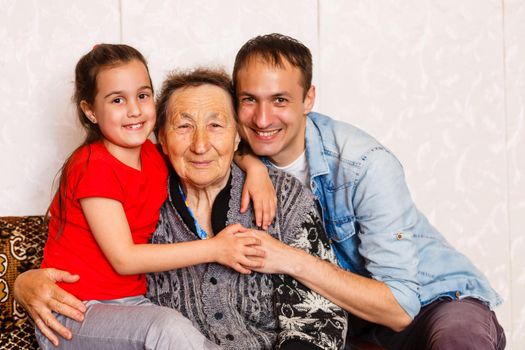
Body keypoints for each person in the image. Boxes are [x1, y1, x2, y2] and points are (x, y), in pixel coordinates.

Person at [15, 66, 348, 349]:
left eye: (216, 126)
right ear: (160, 137)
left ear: (236, 137)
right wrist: (24, 282)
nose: (200, 144)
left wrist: (257, 167)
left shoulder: (284, 198)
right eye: (183, 126)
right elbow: (101, 258)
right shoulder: (142, 198)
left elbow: (318, 316)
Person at [230, 33, 506, 349]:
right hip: (350, 323)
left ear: (308, 99)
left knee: (458, 341)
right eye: (249, 99)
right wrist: (250, 163)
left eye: (280, 99)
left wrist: (288, 259)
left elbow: (401, 306)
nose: (262, 118)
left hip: (432, 302)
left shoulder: (364, 165)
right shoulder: (238, 158)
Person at [33, 44, 275, 349]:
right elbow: (124, 258)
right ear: (90, 110)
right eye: (118, 100)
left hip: (128, 306)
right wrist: (215, 248)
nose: (134, 110)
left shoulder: (152, 155)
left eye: (143, 95)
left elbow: (207, 149)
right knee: (165, 328)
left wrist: (256, 168)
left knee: (172, 327)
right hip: (73, 313)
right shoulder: (93, 166)